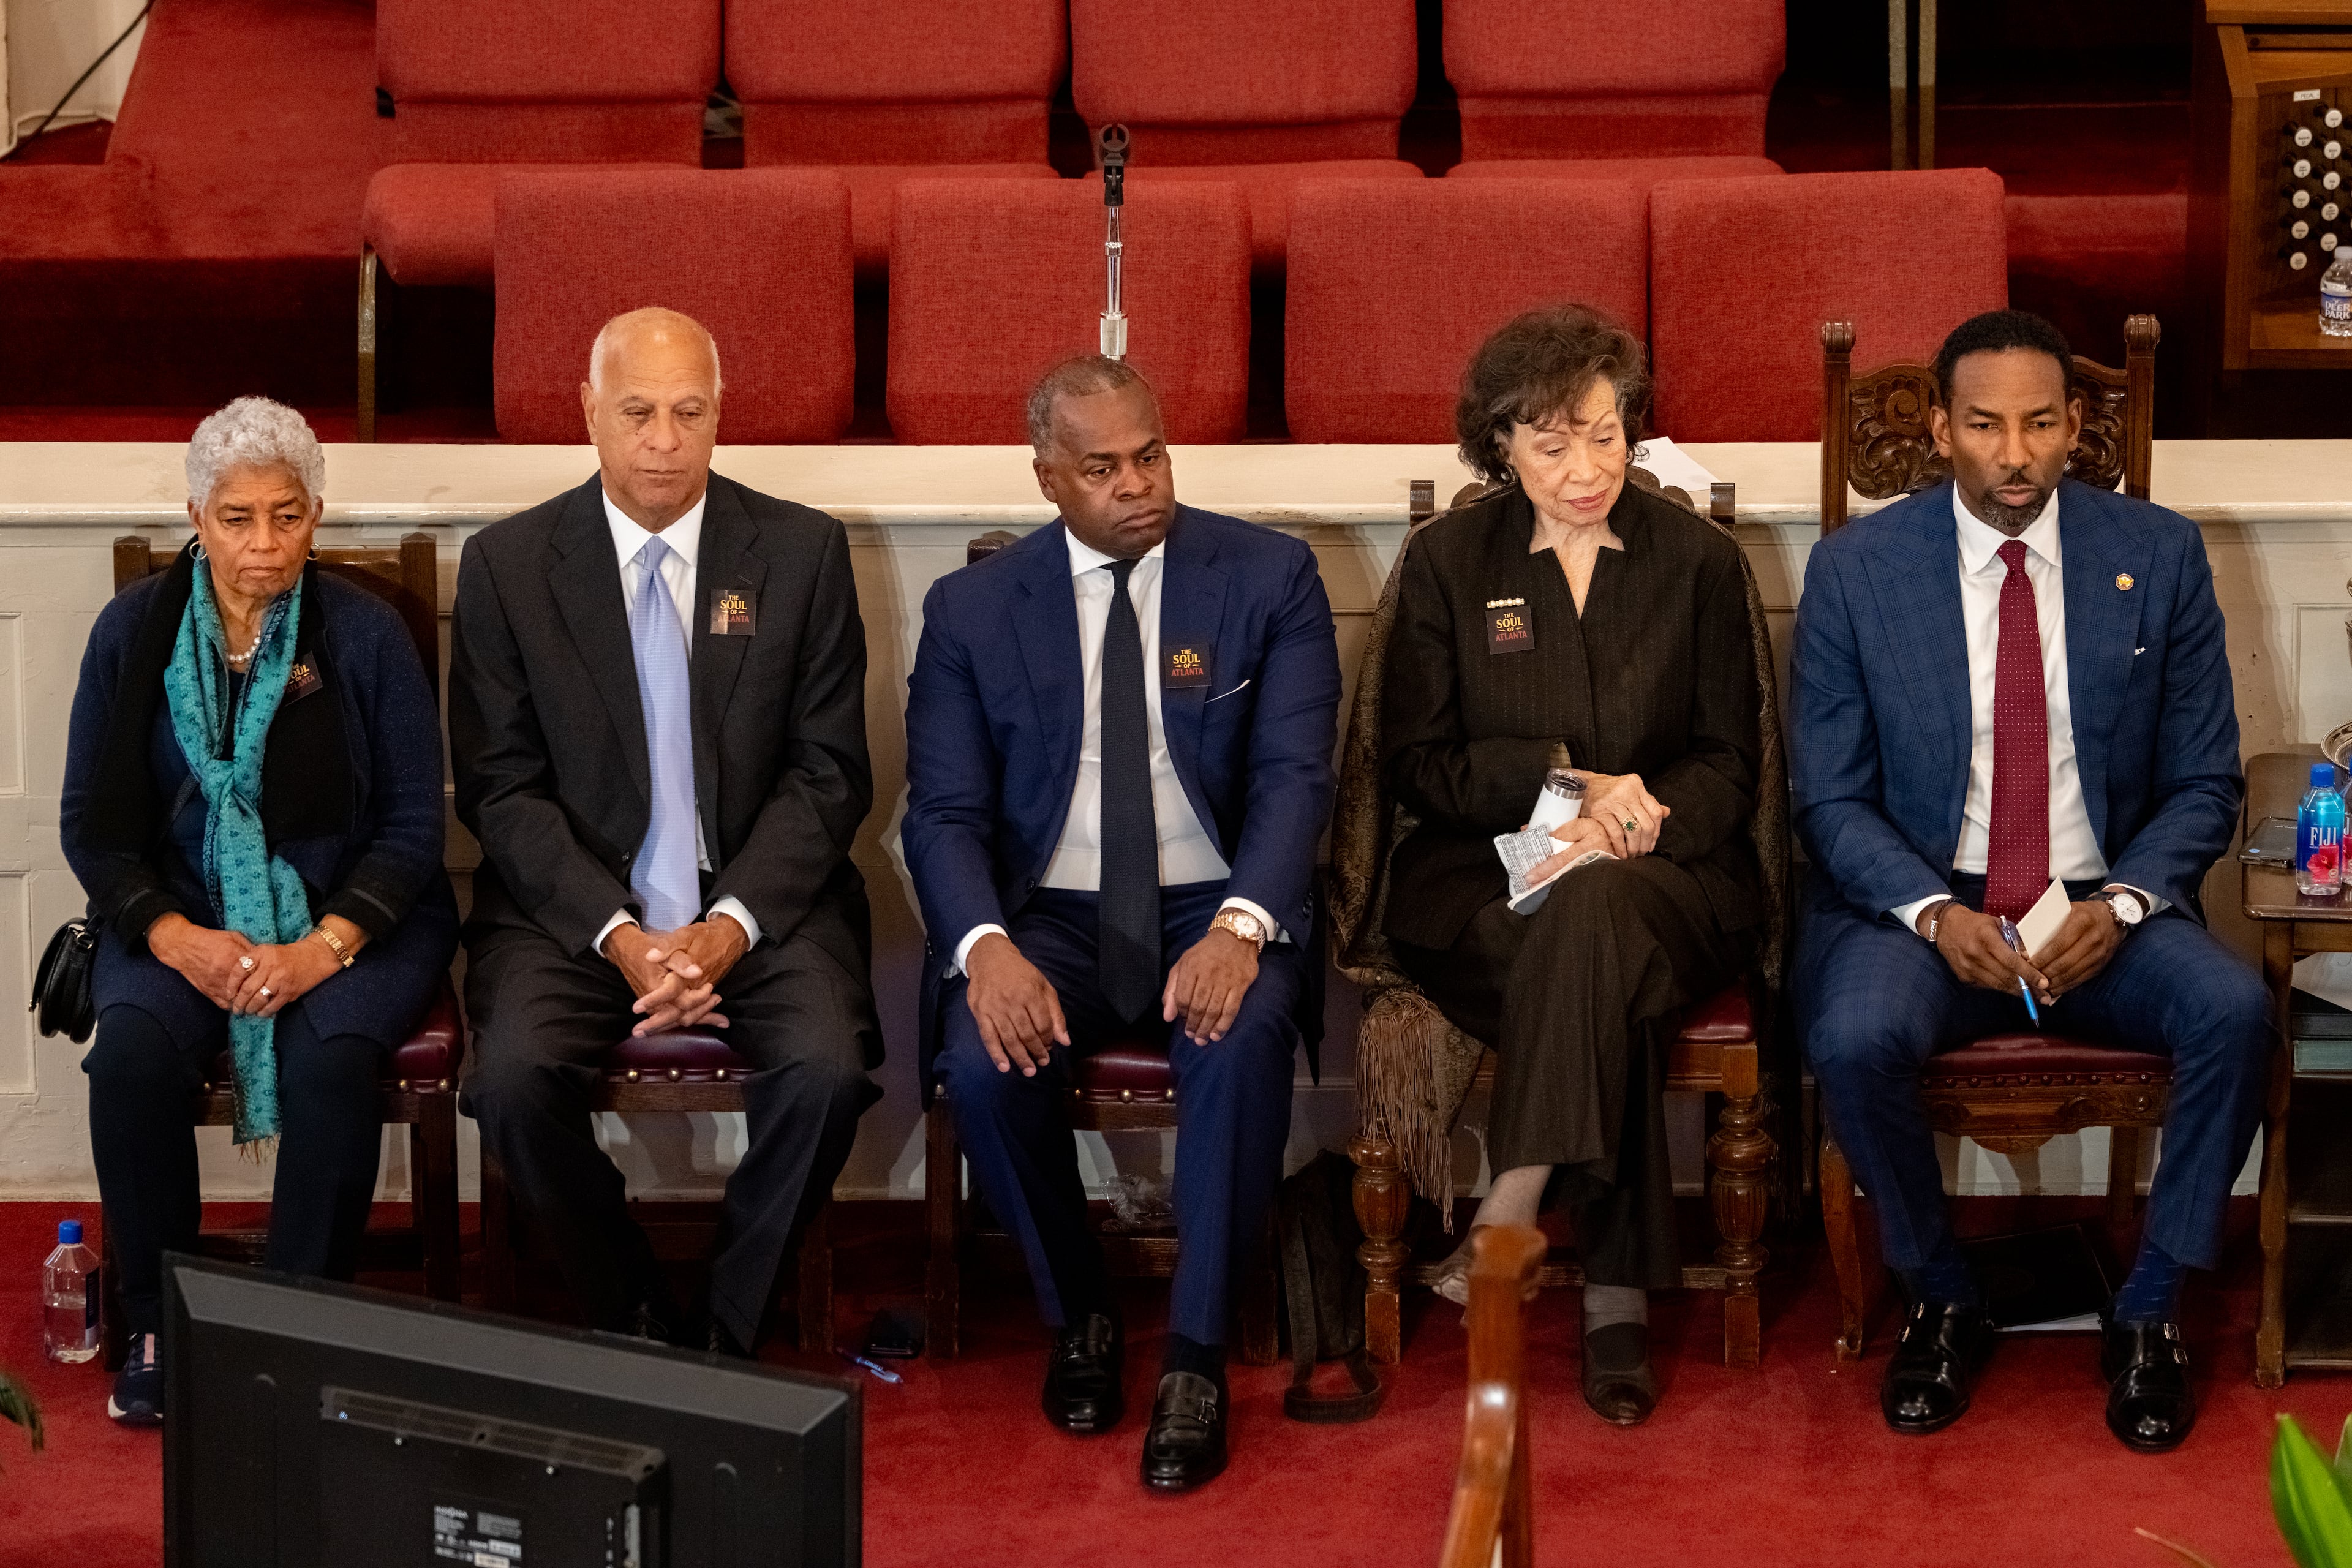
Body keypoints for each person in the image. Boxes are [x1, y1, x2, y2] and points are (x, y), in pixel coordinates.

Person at [1792, 309, 2268, 1452]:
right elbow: (1830, 799)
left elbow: (2206, 783)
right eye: (1986, 425)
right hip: (1923, 906)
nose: (2015, 454)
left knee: (2238, 1013)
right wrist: (1930, 911)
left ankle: (2151, 1310)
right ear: (1943, 432)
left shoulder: (2157, 554)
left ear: (2077, 428)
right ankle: (1944, 1296)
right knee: (1853, 1037)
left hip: (2101, 904)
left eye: (2041, 423)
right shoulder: (1858, 570)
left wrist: (2124, 906)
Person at [902, 356, 1340, 1493]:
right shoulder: (973, 610)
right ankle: (1081, 1314)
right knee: (985, 1065)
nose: (1138, 484)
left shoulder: (1269, 576)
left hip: (1214, 898)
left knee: (1239, 1048)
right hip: (1045, 914)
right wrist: (984, 949)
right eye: (1102, 468)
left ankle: (1192, 1360)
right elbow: (942, 813)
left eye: (1152, 455)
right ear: (1048, 478)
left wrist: (1244, 927)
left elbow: (1297, 780)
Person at [449, 307, 881, 1356]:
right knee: (509, 1082)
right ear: (589, 413)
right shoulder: (508, 567)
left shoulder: (800, 551)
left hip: (758, 902)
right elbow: (501, 791)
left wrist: (726, 930)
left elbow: (829, 776)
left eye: (689, 412)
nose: (663, 441)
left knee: (828, 1070)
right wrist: (625, 936)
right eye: (637, 412)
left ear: (720, 414)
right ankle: (631, 1309)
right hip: (577, 914)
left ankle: (724, 1338)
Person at [1378, 305, 1766, 1426]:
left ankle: (1513, 1201)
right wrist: (1565, 784)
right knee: (1605, 979)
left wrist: (1633, 819)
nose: (1588, 469)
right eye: (1552, 445)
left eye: (1606, 435)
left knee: (1598, 914)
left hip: (1670, 878)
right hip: (1487, 888)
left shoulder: (1694, 561)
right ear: (1498, 446)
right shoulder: (1451, 564)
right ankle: (1612, 1307)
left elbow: (1732, 767)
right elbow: (1418, 766)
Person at [60, 397, 459, 1427]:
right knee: (133, 1061)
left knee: (332, 1065)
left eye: (287, 515)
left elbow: (414, 829)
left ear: (317, 516)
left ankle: (295, 1327)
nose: (265, 544)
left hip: (354, 920)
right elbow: (93, 831)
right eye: (238, 518)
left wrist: (319, 952)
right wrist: (175, 938)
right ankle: (156, 1323)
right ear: (199, 517)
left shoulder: (366, 635)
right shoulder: (131, 633)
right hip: (180, 915)